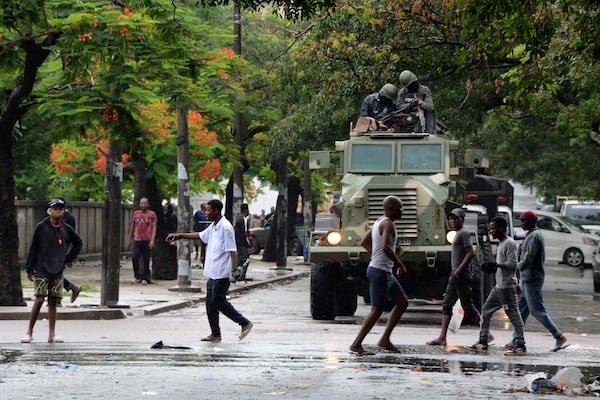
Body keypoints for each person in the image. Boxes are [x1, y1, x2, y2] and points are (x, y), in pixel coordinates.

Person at [166, 199, 253, 342]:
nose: (205, 213)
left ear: (216, 211)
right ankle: (215, 333)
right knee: (210, 303)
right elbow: (200, 235)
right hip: (212, 271)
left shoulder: (225, 227)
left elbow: (233, 251)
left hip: (223, 272)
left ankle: (244, 322)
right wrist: (180, 235)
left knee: (218, 300)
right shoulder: (214, 226)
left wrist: (234, 269)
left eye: (208, 210)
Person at [349, 196, 408, 356]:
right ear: (391, 209)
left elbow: (364, 242)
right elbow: (386, 247)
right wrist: (399, 264)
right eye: (399, 208)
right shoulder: (387, 224)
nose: (402, 211)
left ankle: (385, 339)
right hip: (380, 271)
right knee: (376, 310)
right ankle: (356, 344)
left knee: (402, 302)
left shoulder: (378, 222)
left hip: (383, 271)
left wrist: (376, 255)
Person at [21, 198, 82, 343]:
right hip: (42, 268)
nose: (58, 211)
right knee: (40, 299)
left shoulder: (66, 229)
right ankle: (29, 331)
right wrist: (30, 269)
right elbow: (33, 248)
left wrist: (68, 258)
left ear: (64, 211)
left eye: (61, 209)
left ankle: (52, 334)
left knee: (53, 301)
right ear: (50, 211)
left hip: (57, 270)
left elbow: (78, 243)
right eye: (55, 208)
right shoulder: (41, 227)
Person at [506, 210, 567, 351]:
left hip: (532, 278)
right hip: (527, 278)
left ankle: (558, 336)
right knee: (521, 311)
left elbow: (528, 258)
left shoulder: (534, 236)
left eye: (524, 221)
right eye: (521, 221)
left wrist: (515, 268)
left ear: (532, 222)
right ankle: (515, 340)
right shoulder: (531, 235)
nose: (521, 223)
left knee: (537, 311)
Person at [467, 216, 526, 355]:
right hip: (499, 287)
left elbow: (513, 264)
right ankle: (483, 342)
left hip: (506, 288)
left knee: (514, 316)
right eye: (490, 228)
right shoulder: (501, 244)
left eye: (493, 228)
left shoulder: (509, 243)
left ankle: (520, 345)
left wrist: (496, 266)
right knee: (486, 311)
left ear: (501, 228)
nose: (490, 231)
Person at [427, 208, 481, 346]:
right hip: (456, 275)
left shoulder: (463, 233)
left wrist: (459, 270)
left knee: (467, 306)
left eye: (455, 218)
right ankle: (442, 337)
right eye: (451, 218)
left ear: (462, 220)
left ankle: (486, 333)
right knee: (447, 304)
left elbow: (470, 253)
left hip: (461, 275)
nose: (452, 221)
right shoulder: (457, 233)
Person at [54, 196, 82, 305]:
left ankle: (57, 298)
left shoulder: (68, 218)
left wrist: (70, 257)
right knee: (53, 274)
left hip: (61, 249)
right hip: (53, 249)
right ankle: (72, 288)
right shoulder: (51, 218)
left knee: (55, 274)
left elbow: (72, 238)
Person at [128, 197, 157, 285]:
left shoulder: (152, 214)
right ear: (139, 204)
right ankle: (137, 276)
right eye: (142, 203)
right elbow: (132, 227)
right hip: (137, 239)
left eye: (145, 203)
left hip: (147, 239)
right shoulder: (136, 213)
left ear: (148, 204)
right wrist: (130, 239)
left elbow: (154, 227)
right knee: (135, 257)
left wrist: (152, 240)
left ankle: (145, 278)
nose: (143, 205)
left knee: (146, 259)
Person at [234, 203, 252, 281]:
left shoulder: (238, 219)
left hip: (239, 243)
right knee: (245, 260)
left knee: (240, 260)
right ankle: (240, 276)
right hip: (242, 244)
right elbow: (244, 234)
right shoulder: (243, 220)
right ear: (246, 210)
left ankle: (238, 275)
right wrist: (248, 246)